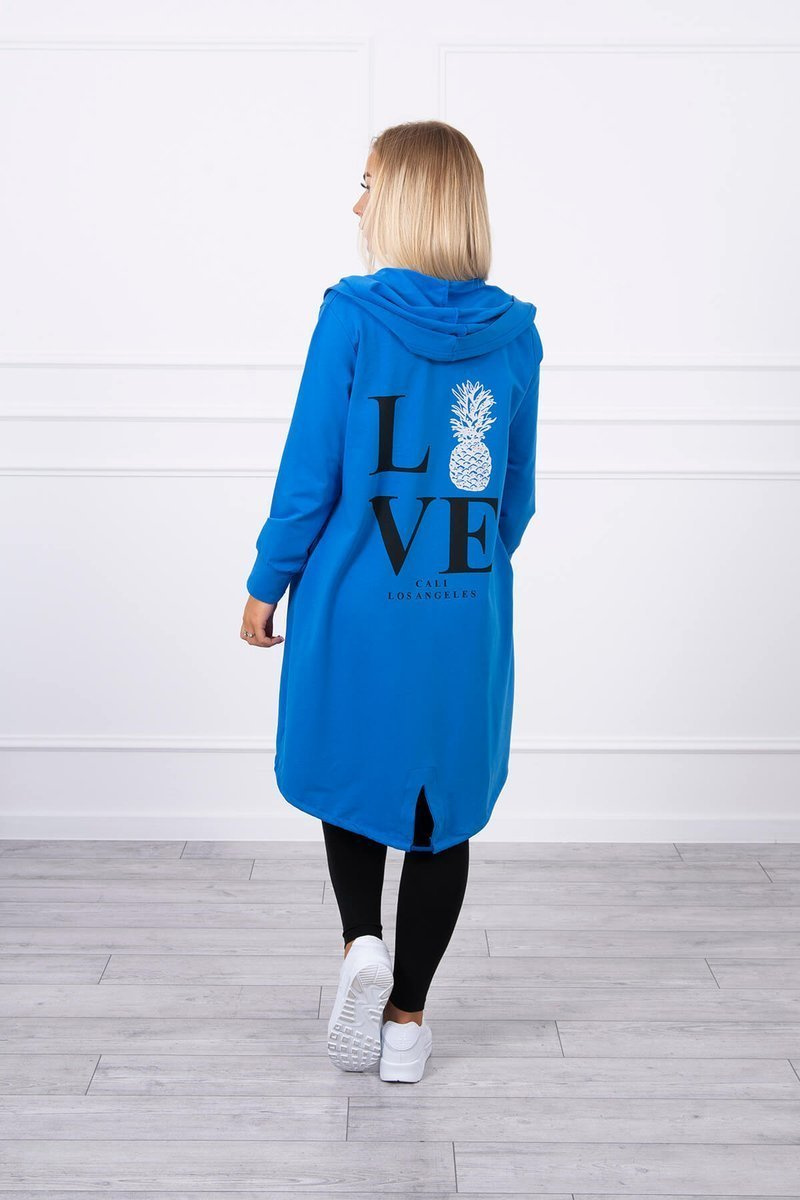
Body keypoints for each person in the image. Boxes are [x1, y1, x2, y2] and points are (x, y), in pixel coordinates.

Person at [240, 120, 543, 1083]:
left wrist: (267, 581)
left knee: (352, 770)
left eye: (369, 185)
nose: (357, 204)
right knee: (442, 810)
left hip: (356, 599)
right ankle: (406, 1028)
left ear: (408, 199)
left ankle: (360, 943)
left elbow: (310, 476)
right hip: (463, 606)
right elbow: (514, 496)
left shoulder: (352, 316)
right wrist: (465, 573)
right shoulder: (517, 333)